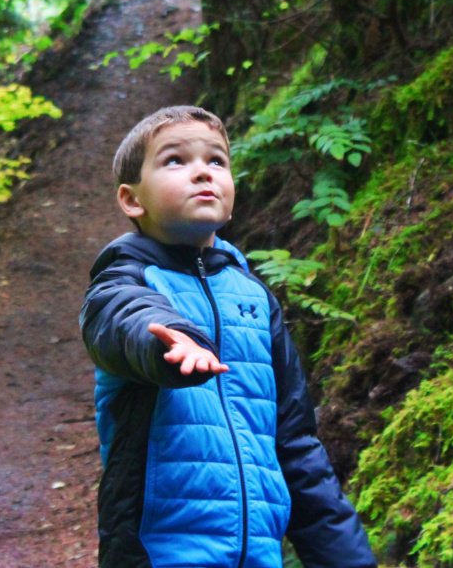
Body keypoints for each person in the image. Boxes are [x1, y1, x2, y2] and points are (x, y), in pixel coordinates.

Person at [80, 105, 376, 568]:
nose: (203, 172)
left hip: (259, 554)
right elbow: (123, 319)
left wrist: (347, 560)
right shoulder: (123, 279)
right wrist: (171, 339)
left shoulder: (254, 297)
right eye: (175, 160)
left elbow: (295, 443)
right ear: (132, 199)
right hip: (159, 553)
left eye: (216, 161)